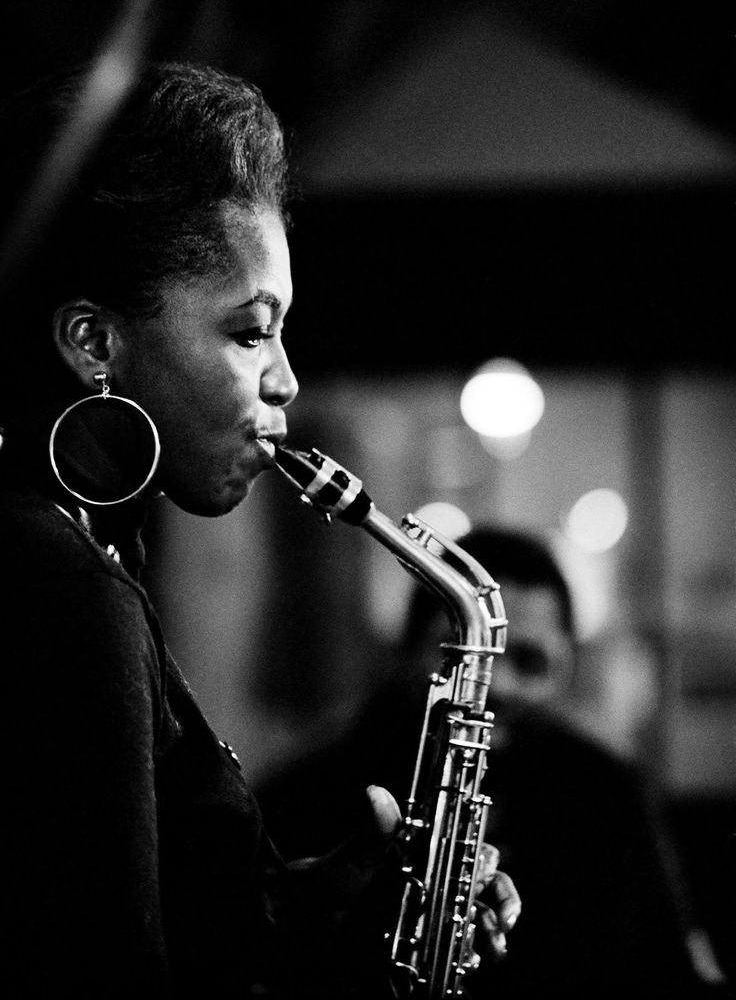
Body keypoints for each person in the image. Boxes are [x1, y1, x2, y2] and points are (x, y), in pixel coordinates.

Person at [0, 63, 521, 999]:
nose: (283, 379)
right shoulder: (59, 584)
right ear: (93, 341)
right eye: (250, 332)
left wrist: (338, 901)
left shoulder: (77, 550)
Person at [257, 525, 730, 998]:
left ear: (566, 667)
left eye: (529, 660)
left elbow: (672, 971)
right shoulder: (303, 790)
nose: (496, 686)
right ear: (405, 649)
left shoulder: (611, 787)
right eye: (460, 655)